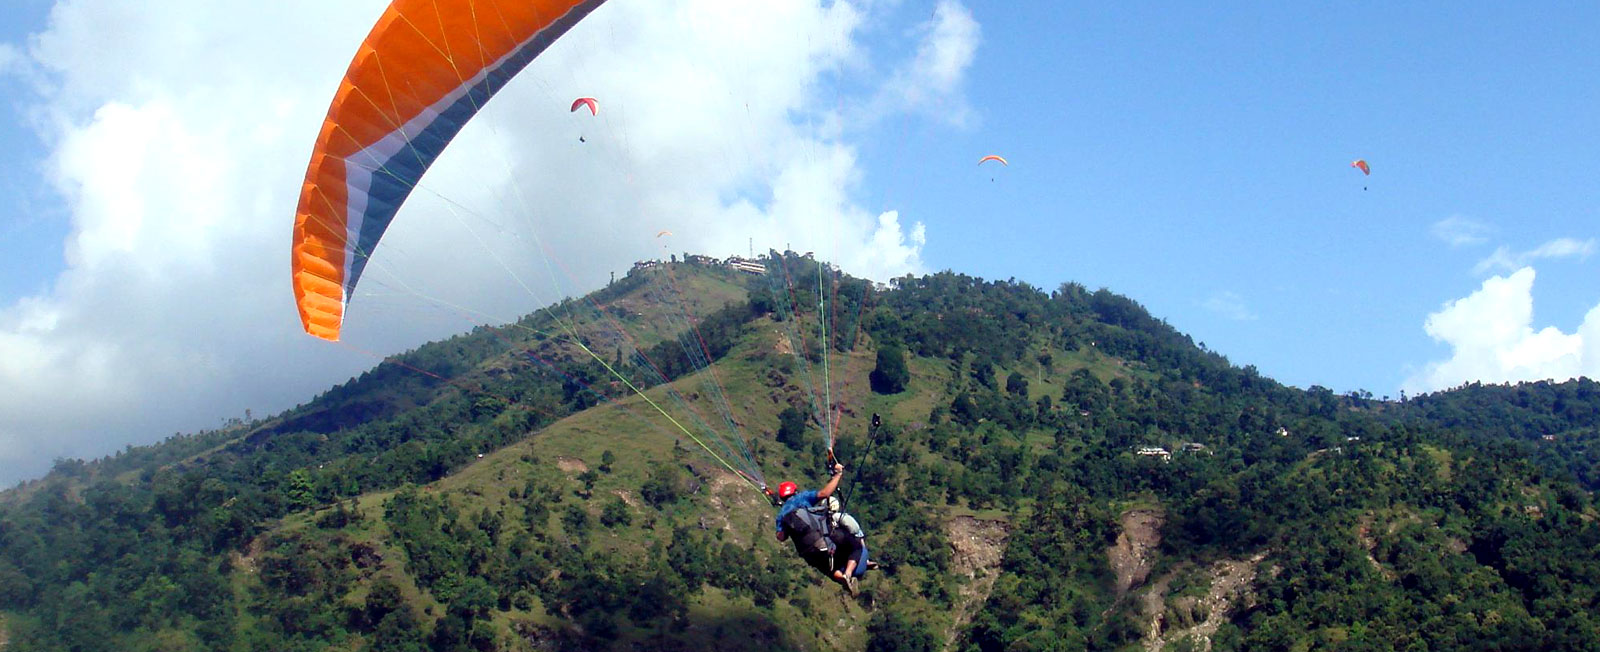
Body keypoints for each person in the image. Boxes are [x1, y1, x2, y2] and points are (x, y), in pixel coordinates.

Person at [766, 463, 872, 594]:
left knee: (829, 570)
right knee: (856, 546)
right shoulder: (802, 498)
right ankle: (848, 573)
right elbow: (825, 493)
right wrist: (838, 474)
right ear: (795, 491)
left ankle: (841, 577)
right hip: (823, 540)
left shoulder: (782, 514)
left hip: (808, 553)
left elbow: (780, 537)